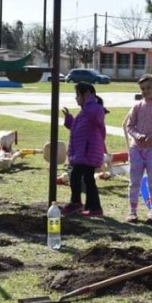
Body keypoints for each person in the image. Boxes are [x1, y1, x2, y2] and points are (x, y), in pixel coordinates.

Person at [125, 74, 152, 222]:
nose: (146, 91)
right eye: (143, 89)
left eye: (149, 88)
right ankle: (132, 211)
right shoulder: (137, 106)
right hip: (136, 149)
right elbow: (129, 126)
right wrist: (137, 136)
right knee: (134, 180)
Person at [61, 82, 106, 217]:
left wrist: (90, 99)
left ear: (85, 94)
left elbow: (96, 115)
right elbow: (77, 128)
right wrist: (69, 119)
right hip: (83, 152)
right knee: (88, 179)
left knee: (75, 175)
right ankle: (95, 207)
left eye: (77, 95)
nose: (76, 98)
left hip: (88, 152)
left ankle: (76, 202)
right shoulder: (84, 112)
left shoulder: (95, 109)